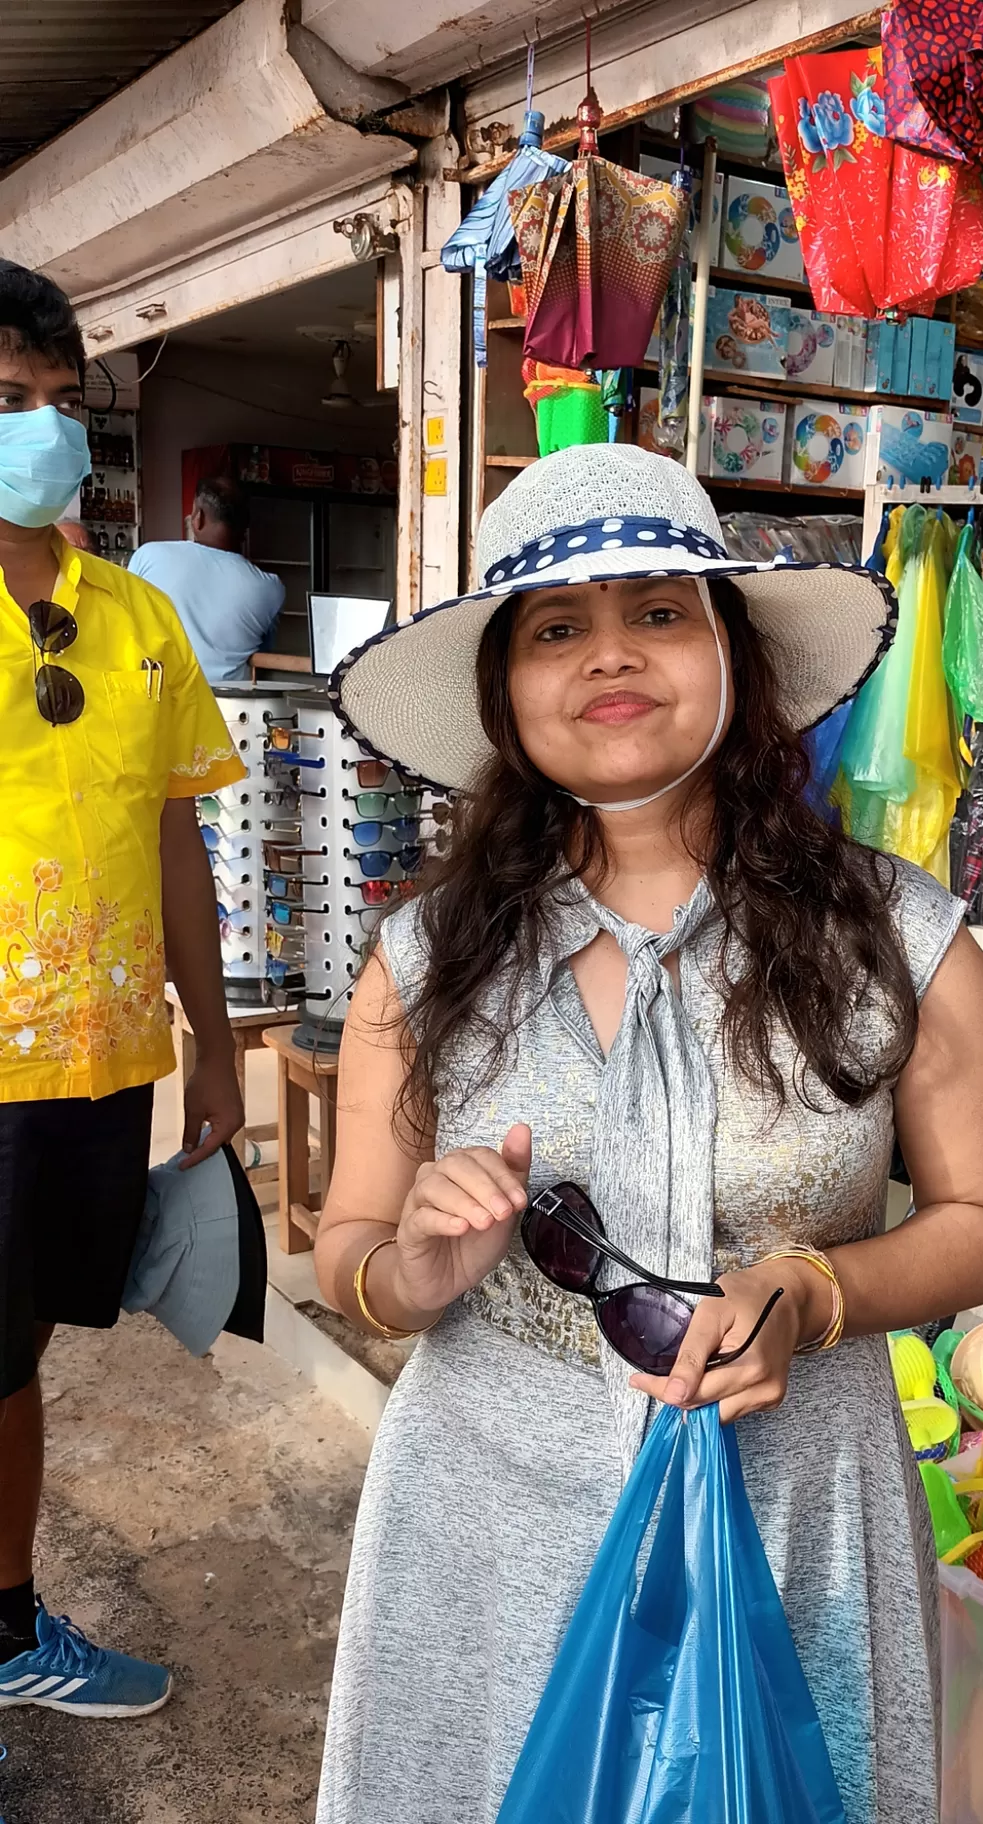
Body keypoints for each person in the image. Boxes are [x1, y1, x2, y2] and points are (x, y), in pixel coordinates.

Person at [312, 445, 983, 1824]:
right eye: (557, 630)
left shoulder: (903, 939)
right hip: (489, 1513)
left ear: (733, 653)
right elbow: (350, 1247)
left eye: (659, 612)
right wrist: (409, 1271)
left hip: (792, 1517)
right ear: (507, 691)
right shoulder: (422, 961)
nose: (611, 660)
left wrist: (821, 1290)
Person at [0, 260, 248, 1715]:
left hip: (98, 1068)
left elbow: (176, 847)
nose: (33, 428)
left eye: (49, 401)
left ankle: (10, 1630)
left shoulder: (139, 622)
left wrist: (212, 1049)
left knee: (15, 1351)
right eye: (1, 401)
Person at [129, 475, 284, 681]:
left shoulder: (149, 556)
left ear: (198, 517)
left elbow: (123, 624)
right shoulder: (269, 587)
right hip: (228, 709)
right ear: (244, 527)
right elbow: (265, 652)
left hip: (158, 700)